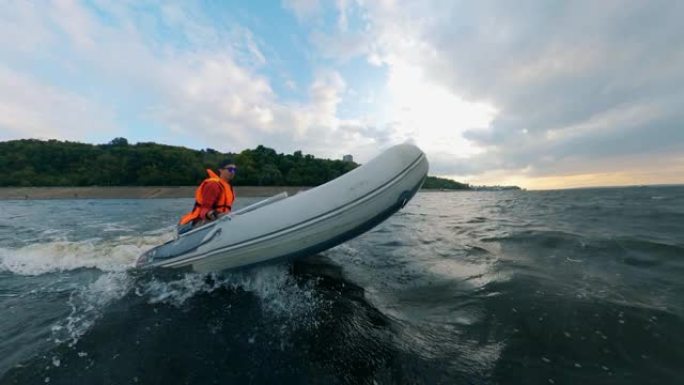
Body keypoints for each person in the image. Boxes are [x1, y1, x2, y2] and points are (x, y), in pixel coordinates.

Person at [178, 159, 236, 232]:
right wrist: (215, 214)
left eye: (234, 170)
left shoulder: (227, 187)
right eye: (230, 169)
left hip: (219, 220)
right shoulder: (213, 185)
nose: (233, 172)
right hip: (199, 222)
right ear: (220, 170)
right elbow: (204, 210)